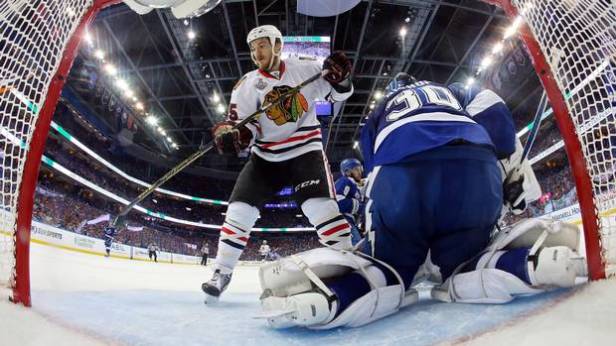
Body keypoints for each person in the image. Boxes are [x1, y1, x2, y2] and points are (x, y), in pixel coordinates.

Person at [256, 73, 586, 329]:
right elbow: (495, 114)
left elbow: (373, 167)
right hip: (473, 173)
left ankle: (337, 293)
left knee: (389, 272)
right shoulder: (455, 91)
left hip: (401, 174)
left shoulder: (383, 107)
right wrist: (503, 169)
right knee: (463, 267)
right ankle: (523, 263)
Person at [202, 24, 355, 303]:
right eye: (252, 47)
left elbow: (337, 95)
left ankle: (350, 262)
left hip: (304, 149)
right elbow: (241, 128)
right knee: (238, 211)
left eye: (262, 45)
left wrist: (341, 80)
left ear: (277, 45)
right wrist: (231, 135)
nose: (256, 52)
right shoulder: (246, 84)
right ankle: (221, 273)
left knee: (319, 208)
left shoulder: (306, 68)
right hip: (265, 156)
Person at [335, 158, 365, 245]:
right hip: (344, 221)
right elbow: (338, 202)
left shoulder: (354, 185)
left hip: (349, 222)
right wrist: (361, 207)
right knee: (359, 252)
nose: (360, 172)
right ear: (347, 172)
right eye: (356, 169)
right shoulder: (345, 180)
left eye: (360, 169)